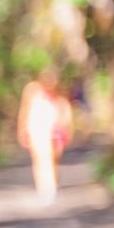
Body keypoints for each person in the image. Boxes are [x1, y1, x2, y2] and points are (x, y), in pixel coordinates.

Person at [17, 69, 74, 202]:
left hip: (52, 131)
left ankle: (51, 184)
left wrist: (66, 130)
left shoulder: (57, 97)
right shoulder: (33, 93)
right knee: (40, 159)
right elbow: (25, 113)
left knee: (51, 158)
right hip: (37, 131)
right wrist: (23, 130)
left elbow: (65, 113)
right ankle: (43, 186)